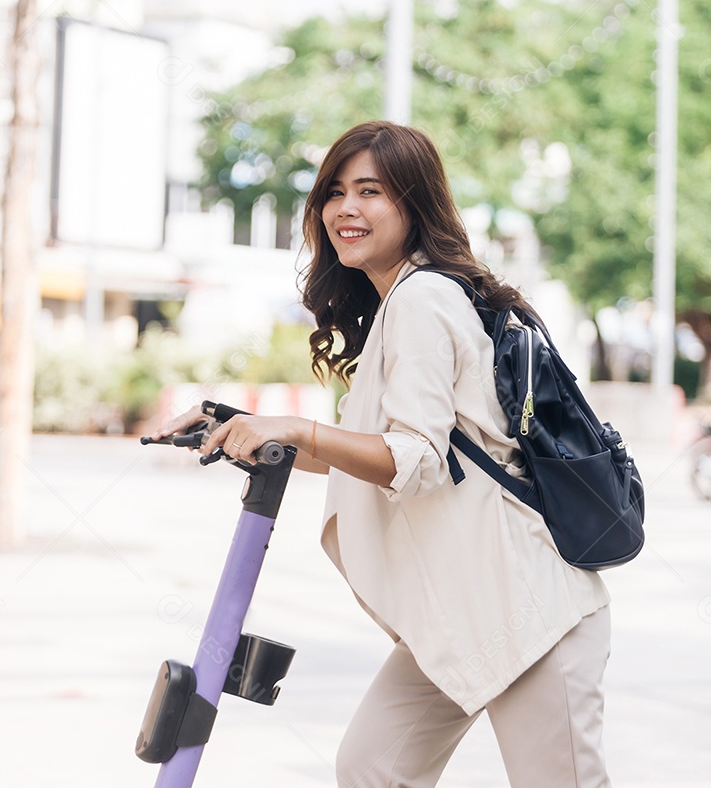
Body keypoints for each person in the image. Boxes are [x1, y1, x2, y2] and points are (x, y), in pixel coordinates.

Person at [155, 120, 613, 788]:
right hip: (459, 614)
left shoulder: (425, 297)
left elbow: (413, 459)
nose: (346, 208)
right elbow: (372, 453)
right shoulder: (403, 302)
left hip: (530, 610)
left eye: (370, 191)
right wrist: (243, 423)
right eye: (334, 192)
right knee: (374, 767)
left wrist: (303, 430)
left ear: (414, 204)